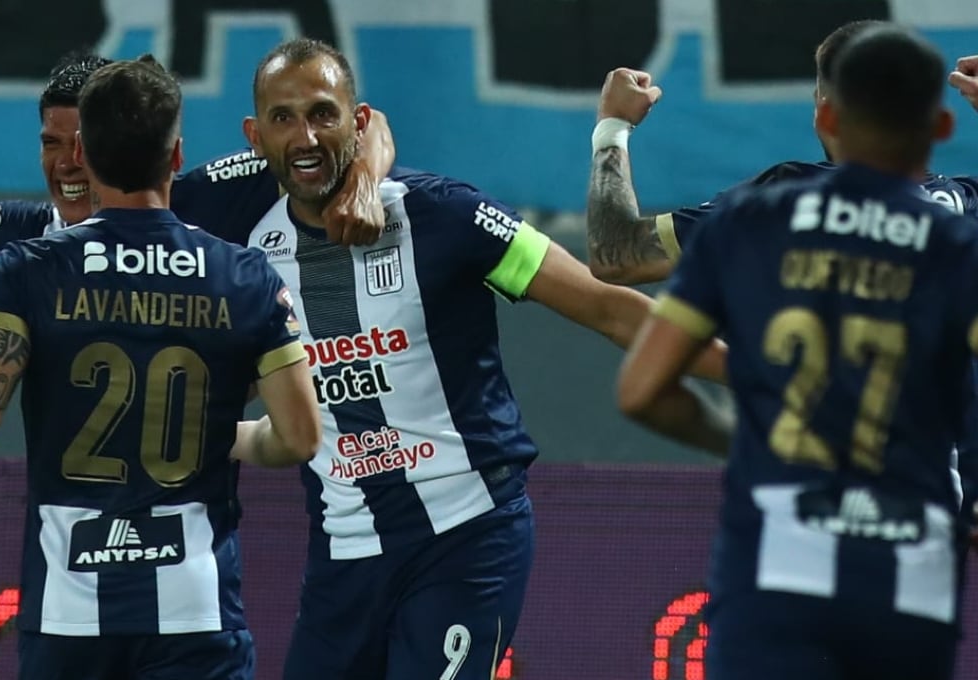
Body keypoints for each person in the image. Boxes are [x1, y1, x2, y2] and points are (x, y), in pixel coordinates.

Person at [235, 38, 728, 680]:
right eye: (284, 118)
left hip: (466, 540)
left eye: (324, 113)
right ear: (255, 135)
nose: (305, 136)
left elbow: (609, 308)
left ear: (358, 121)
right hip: (343, 558)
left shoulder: (446, 214)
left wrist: (758, 372)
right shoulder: (247, 252)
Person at [0, 56, 321, 680]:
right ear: (176, 157)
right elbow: (299, 436)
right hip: (196, 615)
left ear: (87, 158)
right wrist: (223, 436)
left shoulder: (26, 270)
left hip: (69, 619)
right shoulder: (244, 276)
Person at [617, 25, 976, 679]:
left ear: (826, 113)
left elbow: (619, 266)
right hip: (913, 554)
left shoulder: (758, 218)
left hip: (777, 553)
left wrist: (611, 132)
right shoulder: (959, 235)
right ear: (944, 123)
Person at [0, 51, 396, 292]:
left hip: (195, 530)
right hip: (63, 527)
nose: (69, 162)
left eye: (83, 143)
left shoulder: (204, 202)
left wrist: (364, 183)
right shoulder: (23, 240)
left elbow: (363, 129)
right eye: (51, 144)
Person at [585, 19, 978, 286]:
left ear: (824, 111)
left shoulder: (781, 201)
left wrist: (612, 126)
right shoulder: (966, 205)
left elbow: (617, 255)